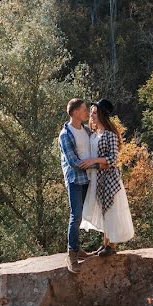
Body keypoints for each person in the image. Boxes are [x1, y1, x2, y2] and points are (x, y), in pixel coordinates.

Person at [79, 99, 134, 255]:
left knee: (110, 210)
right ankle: (105, 243)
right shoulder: (93, 134)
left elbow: (113, 159)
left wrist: (94, 160)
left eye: (95, 112)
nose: (92, 115)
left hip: (109, 177)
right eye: (91, 112)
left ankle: (112, 246)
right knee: (104, 209)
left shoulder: (110, 135)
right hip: (96, 177)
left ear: (102, 114)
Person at [58, 98, 101, 272]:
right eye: (84, 110)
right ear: (75, 112)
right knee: (75, 215)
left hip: (88, 178)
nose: (86, 112)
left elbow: (94, 147)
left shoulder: (85, 130)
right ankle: (72, 254)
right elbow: (74, 162)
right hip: (75, 179)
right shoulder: (65, 134)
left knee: (82, 215)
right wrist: (98, 164)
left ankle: (78, 248)